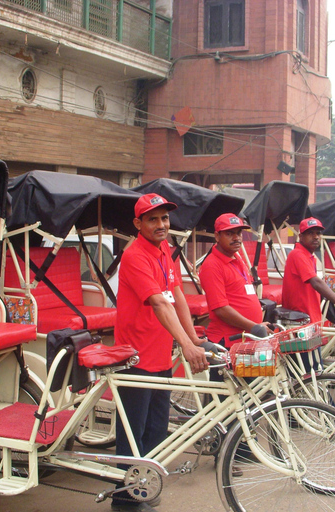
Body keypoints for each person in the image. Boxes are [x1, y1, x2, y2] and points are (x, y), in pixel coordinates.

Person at [112, 193, 209, 512]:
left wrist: (193, 338)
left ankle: (144, 491)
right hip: (135, 356)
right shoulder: (135, 255)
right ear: (138, 224)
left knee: (156, 430)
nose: (161, 224)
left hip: (160, 354)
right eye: (153, 219)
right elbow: (158, 302)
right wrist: (185, 343)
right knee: (132, 434)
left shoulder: (164, 250)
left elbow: (177, 294)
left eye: (165, 218)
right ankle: (124, 500)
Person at [282, 217, 335, 371]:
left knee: (314, 370)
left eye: (318, 233)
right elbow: (316, 282)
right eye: (310, 233)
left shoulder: (310, 256)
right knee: (308, 373)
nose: (316, 237)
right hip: (301, 324)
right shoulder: (298, 254)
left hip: (310, 321)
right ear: (301, 236)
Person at [199, 213, 270, 380]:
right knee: (228, 399)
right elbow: (221, 309)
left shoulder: (237, 258)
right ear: (217, 236)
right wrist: (254, 327)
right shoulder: (212, 265)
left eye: (238, 233)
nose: (236, 238)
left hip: (246, 339)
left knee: (248, 394)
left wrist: (256, 325)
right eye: (229, 233)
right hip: (228, 343)